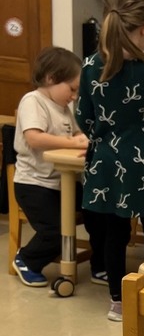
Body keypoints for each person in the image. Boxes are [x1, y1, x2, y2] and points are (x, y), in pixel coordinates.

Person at [76, 0, 144, 322]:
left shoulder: (91, 65)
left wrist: (102, 140)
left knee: (115, 234)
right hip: (142, 161)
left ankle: (117, 303)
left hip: (106, 161)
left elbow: (82, 116)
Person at [13, 46, 107, 289]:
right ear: (51, 78)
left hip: (61, 183)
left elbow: (76, 132)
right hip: (34, 185)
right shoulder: (33, 101)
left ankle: (101, 264)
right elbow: (34, 138)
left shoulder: (63, 108)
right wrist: (70, 142)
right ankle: (26, 260)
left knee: (99, 211)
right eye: (72, 89)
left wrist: (85, 139)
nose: (74, 96)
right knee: (56, 231)